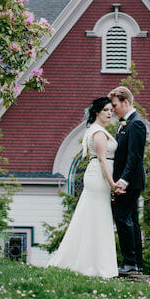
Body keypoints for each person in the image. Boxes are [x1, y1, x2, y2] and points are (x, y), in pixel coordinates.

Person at [46, 97, 120, 278]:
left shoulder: (96, 130)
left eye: (111, 110)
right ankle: (95, 265)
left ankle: (94, 263)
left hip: (97, 175)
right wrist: (112, 183)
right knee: (98, 217)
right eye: (106, 110)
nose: (110, 113)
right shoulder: (98, 133)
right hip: (100, 178)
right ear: (97, 112)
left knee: (94, 217)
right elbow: (102, 159)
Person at [110, 85, 146, 274]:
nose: (113, 109)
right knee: (132, 220)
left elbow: (135, 156)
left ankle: (130, 262)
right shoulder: (124, 123)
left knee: (123, 218)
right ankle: (137, 264)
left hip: (130, 182)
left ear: (125, 102)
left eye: (115, 105)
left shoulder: (136, 123)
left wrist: (123, 181)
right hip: (128, 180)